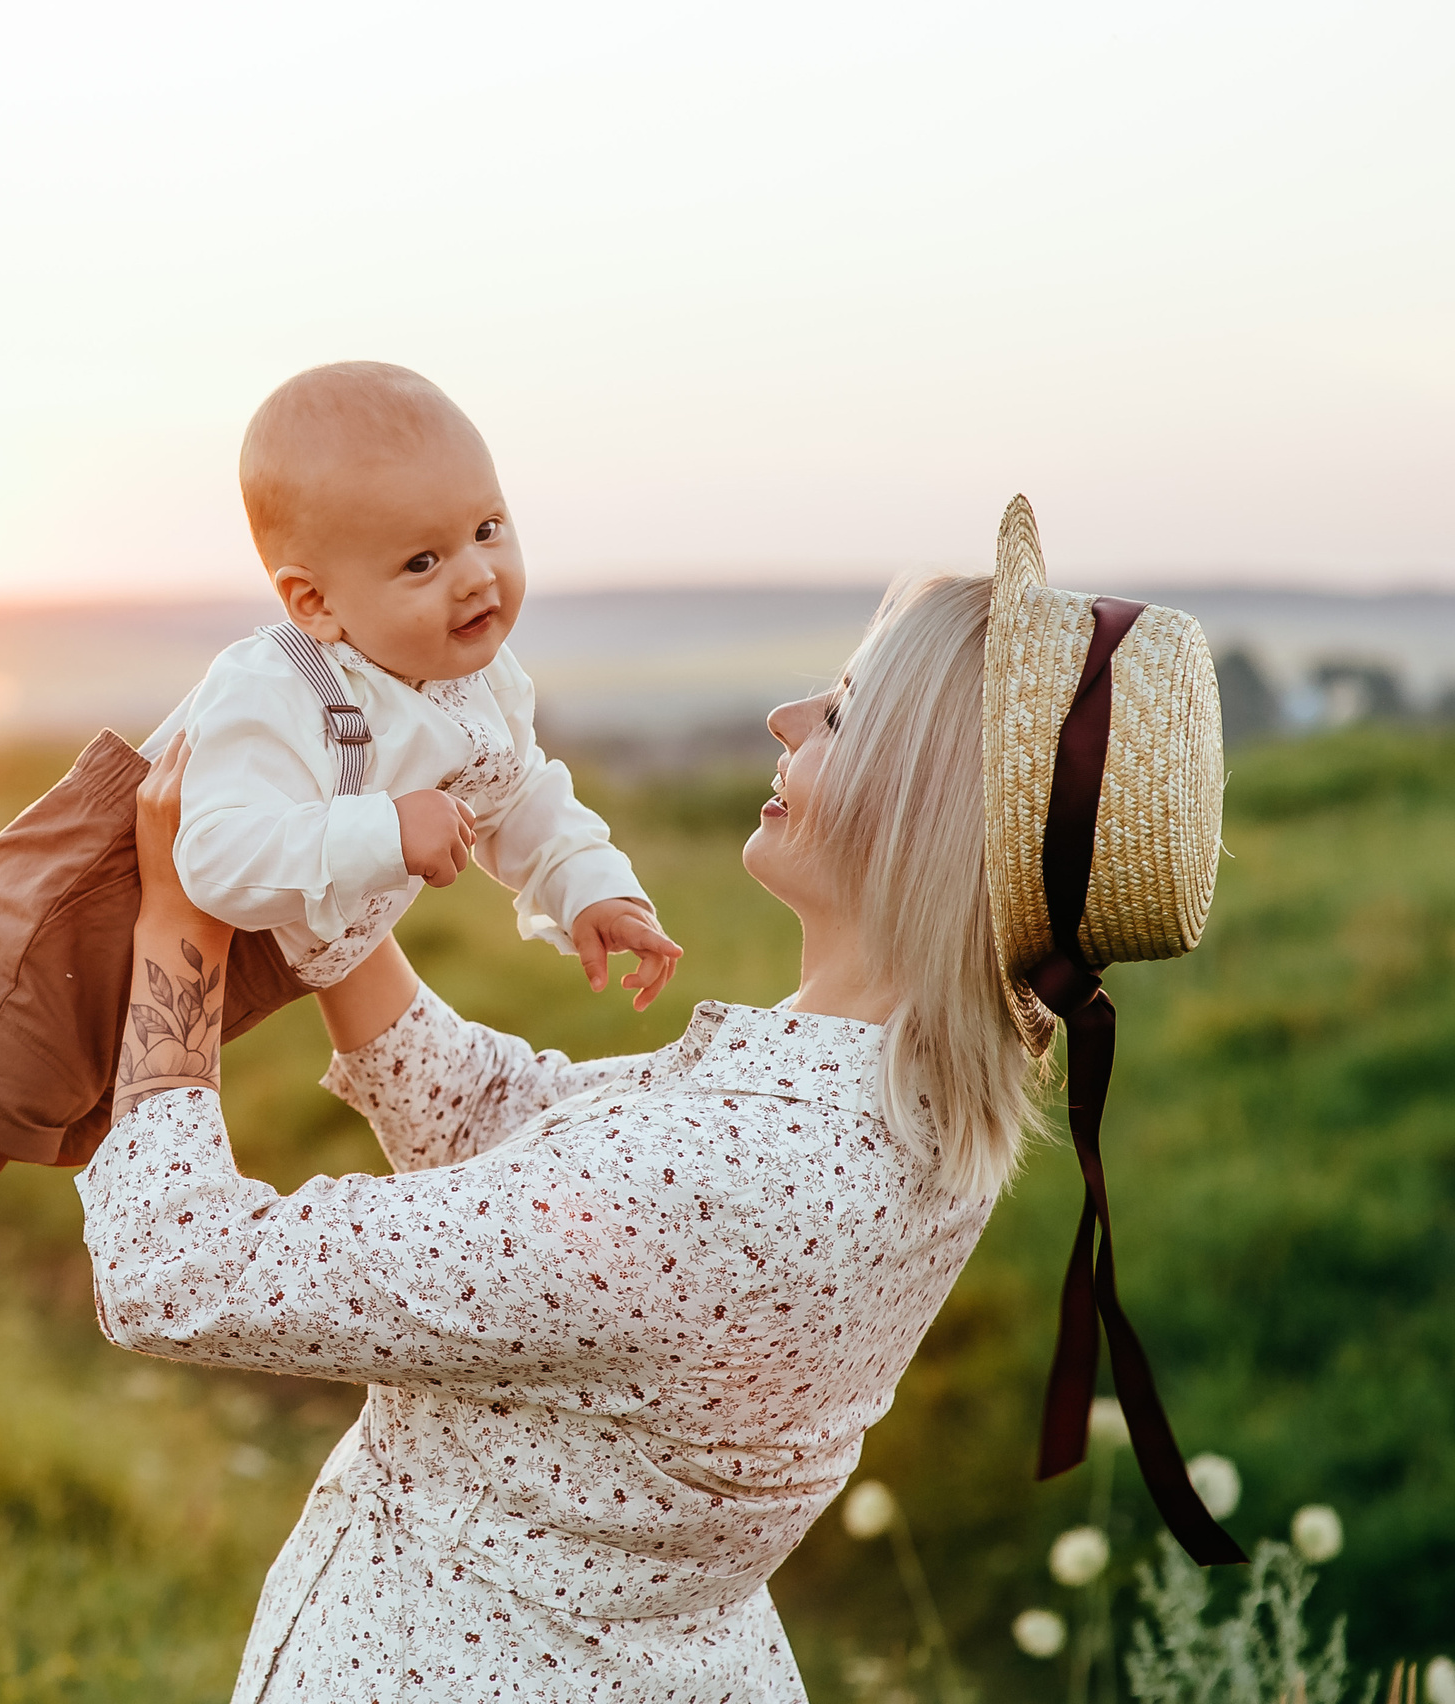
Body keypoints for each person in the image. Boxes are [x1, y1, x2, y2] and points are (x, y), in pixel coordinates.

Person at [79, 497, 1230, 1700]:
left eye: (840, 711)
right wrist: (323, 860)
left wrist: (178, 923)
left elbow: (179, 1269)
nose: (785, 719)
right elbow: (503, 1132)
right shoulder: (897, 1109)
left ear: (924, 815)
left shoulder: (730, 1172)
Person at [0, 362, 685, 1438]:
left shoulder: (479, 685)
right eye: (421, 559)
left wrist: (592, 890)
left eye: (488, 530)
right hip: (84, 920)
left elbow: (523, 799)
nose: (475, 577)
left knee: (54, 1119)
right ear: (313, 601)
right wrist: (383, 828)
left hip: (213, 957)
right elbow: (208, 860)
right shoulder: (279, 689)